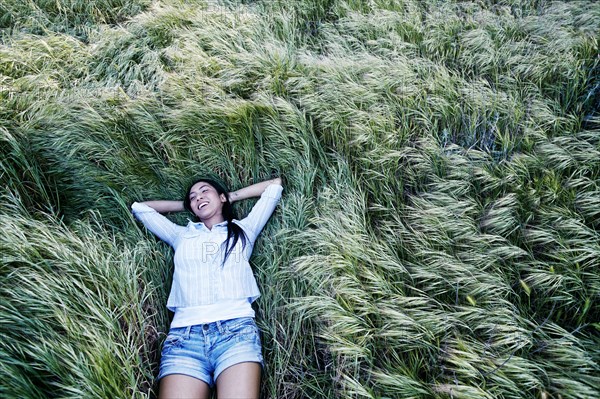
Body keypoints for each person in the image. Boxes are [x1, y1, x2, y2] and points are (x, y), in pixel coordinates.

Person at [131, 176, 283, 399]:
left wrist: (229, 197)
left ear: (221, 197)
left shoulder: (244, 230)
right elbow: (140, 208)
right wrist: (186, 205)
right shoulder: (181, 235)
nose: (199, 197)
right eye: (193, 197)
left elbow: (274, 186)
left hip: (236, 332)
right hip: (185, 338)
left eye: (205, 192)